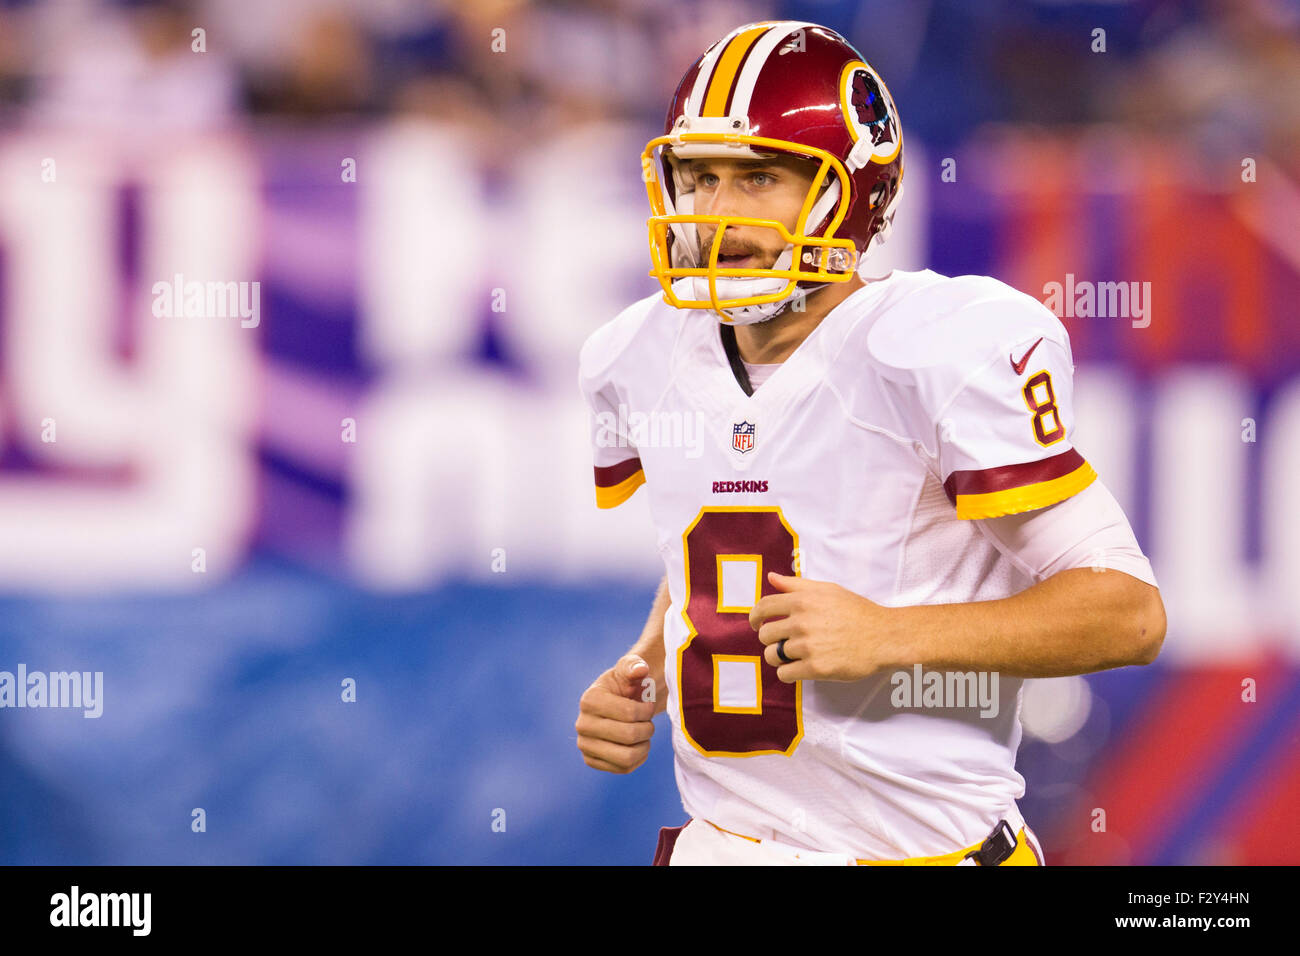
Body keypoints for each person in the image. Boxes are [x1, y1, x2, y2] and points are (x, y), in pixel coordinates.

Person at [574, 21, 1165, 866]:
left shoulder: (936, 349)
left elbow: (1129, 614)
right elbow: (716, 547)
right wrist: (644, 670)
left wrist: (892, 635)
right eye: (700, 177)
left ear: (845, 193)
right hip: (725, 849)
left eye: (760, 179)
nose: (716, 214)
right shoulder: (638, 352)